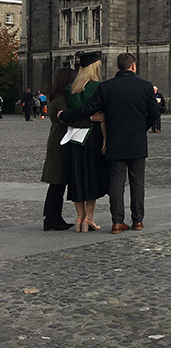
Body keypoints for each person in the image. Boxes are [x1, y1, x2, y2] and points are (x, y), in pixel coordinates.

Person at [59, 52, 157, 234]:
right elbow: (154, 114)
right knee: (137, 183)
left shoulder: (107, 87)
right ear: (133, 67)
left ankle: (117, 222)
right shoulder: (145, 86)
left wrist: (65, 116)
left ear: (118, 67)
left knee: (116, 184)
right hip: (136, 141)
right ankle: (137, 221)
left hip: (115, 140)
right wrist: (141, 129)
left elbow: (88, 109)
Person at [64, 51, 109, 233]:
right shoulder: (98, 87)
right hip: (93, 136)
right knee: (92, 176)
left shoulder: (71, 89)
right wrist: (106, 137)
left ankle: (79, 218)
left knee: (77, 177)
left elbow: (67, 114)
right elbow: (103, 116)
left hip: (75, 137)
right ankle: (89, 218)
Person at [40, 67, 77, 231]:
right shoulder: (61, 99)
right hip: (61, 139)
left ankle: (52, 216)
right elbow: (66, 118)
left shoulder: (56, 97)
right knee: (57, 181)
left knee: (57, 182)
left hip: (58, 138)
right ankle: (52, 218)